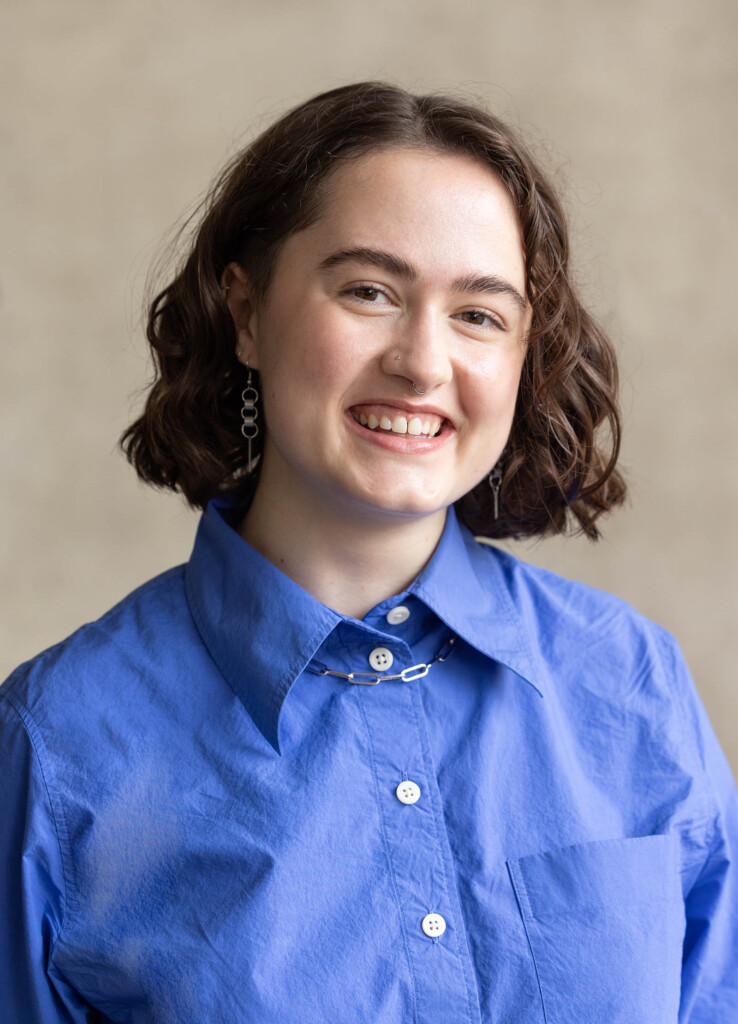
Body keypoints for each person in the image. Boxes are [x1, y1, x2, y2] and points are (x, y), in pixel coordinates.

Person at [0, 80, 735, 1023]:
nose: (424, 363)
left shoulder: (630, 681)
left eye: (479, 314)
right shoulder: (57, 743)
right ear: (246, 314)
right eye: (369, 292)